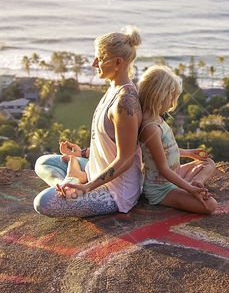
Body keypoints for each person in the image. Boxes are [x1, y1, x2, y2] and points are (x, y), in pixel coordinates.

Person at [32, 27, 143, 217]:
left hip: (115, 192)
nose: (94, 63)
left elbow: (125, 159)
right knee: (43, 162)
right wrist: (82, 153)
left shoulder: (125, 103)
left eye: (99, 58)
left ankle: (73, 184)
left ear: (117, 63)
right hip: (94, 170)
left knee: (43, 202)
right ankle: (72, 181)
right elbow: (111, 144)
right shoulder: (112, 90)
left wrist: (88, 187)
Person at [137, 65, 216, 214]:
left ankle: (196, 183)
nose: (171, 104)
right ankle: (190, 188)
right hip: (161, 189)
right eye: (170, 98)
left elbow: (167, 151)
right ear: (157, 95)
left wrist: (189, 153)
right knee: (210, 205)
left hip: (175, 175)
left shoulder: (157, 118)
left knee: (208, 163)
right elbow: (163, 169)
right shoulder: (150, 128)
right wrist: (189, 189)